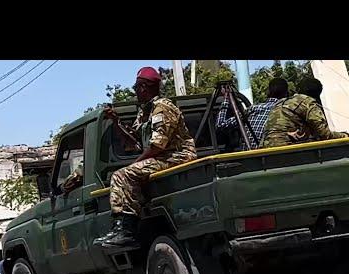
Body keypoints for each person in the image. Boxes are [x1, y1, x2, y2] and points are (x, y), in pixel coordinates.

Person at [94, 67, 197, 249]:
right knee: (123, 174)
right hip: (164, 156)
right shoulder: (145, 111)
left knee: (122, 175)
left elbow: (157, 146)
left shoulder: (163, 108)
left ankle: (127, 230)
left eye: (136, 87)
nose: (135, 92)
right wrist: (116, 122)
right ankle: (121, 227)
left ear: (144, 87)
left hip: (177, 156)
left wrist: (136, 164)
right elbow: (132, 141)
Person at [261, 77, 349, 147]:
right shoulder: (308, 102)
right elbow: (324, 135)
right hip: (285, 149)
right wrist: (344, 136)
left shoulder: (283, 102)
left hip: (265, 148)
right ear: (318, 94)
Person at [216, 77, 289, 150]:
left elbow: (221, 125)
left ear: (268, 92)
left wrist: (226, 100)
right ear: (286, 94)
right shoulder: (288, 112)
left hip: (249, 157)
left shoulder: (253, 109)